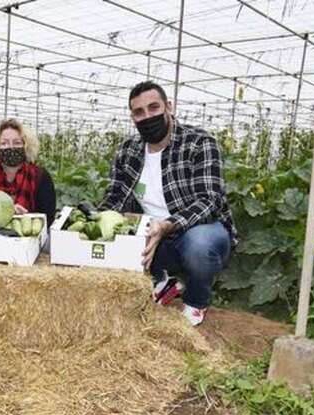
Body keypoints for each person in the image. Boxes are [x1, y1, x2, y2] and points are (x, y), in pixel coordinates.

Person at [99, 81, 237, 326]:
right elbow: (115, 197)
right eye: (139, 112)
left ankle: (196, 299)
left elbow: (210, 200)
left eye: (154, 108)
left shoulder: (199, 143)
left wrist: (168, 224)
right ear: (133, 118)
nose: (147, 116)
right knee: (113, 238)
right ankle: (162, 280)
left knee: (199, 246)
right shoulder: (128, 150)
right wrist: (90, 219)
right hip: (152, 236)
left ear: (169, 107)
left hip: (196, 230)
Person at [0, 118, 56, 236]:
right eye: (4, 143)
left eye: (17, 143)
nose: (11, 147)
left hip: (29, 242)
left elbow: (47, 219)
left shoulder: (40, 177)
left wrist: (26, 218)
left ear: (26, 146)